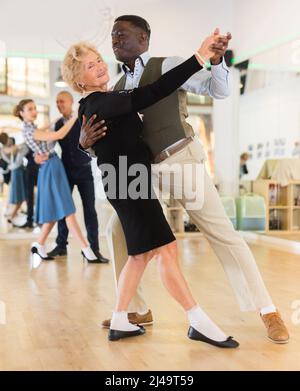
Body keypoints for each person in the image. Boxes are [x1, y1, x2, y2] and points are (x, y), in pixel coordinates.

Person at [80, 15, 289, 344]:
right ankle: (135, 309)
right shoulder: (115, 89)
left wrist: (216, 62)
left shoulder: (168, 66)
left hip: (180, 161)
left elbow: (215, 90)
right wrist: (85, 145)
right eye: (113, 37)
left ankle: (267, 309)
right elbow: (108, 143)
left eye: (122, 35)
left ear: (144, 38)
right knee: (115, 230)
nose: (116, 41)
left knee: (222, 233)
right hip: (144, 174)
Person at [62, 37, 240, 348]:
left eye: (99, 60)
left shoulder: (98, 104)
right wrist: (198, 56)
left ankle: (120, 319)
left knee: (140, 255)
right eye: (91, 66)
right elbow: (154, 91)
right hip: (130, 185)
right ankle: (197, 320)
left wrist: (83, 144)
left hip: (127, 183)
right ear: (79, 80)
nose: (101, 66)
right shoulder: (101, 103)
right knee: (166, 251)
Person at [14, 99, 98, 262]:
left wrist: (54, 121)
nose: (34, 111)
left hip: (53, 166)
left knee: (57, 211)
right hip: (52, 167)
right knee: (68, 211)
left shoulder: (32, 128)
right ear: (21, 113)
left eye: (35, 108)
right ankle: (87, 250)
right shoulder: (30, 131)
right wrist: (74, 117)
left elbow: (44, 132)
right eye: (30, 109)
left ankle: (39, 244)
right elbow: (58, 135)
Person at [46, 91, 109, 263]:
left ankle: (94, 249)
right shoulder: (58, 124)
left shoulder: (82, 119)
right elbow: (49, 145)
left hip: (84, 171)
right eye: (57, 102)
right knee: (63, 210)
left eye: (62, 101)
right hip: (65, 171)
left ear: (71, 102)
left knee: (90, 210)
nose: (59, 104)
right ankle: (61, 245)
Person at [0, 137, 28, 225]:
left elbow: (16, 163)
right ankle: (13, 214)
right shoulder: (8, 151)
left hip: (18, 173)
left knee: (19, 195)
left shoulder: (17, 150)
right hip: (15, 173)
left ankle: (13, 214)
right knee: (17, 195)